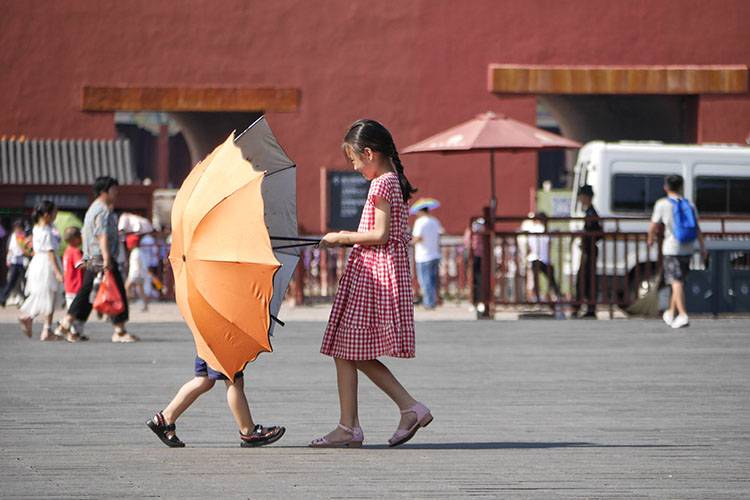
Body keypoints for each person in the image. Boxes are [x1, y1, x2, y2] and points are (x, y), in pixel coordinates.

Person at [311, 119, 433, 448]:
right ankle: (351, 424)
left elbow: (380, 234)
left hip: (374, 274)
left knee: (350, 347)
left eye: (354, 160)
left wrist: (342, 237)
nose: (354, 167)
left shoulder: (382, 183)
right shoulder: (392, 181)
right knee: (344, 348)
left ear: (368, 153)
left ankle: (405, 408)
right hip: (376, 271)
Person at [55, 176, 138, 343]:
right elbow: (101, 235)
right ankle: (119, 331)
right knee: (117, 291)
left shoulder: (95, 209)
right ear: (103, 191)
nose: (116, 193)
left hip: (94, 256)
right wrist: (107, 258)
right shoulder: (102, 210)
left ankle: (68, 325)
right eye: (113, 190)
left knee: (87, 293)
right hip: (101, 257)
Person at [145, 359, 286, 448]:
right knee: (233, 380)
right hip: (221, 335)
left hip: (206, 331)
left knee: (204, 380)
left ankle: (165, 418)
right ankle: (248, 431)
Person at [648, 175, 706, 329]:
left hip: (671, 248)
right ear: (681, 187)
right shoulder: (689, 204)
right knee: (679, 281)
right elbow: (697, 228)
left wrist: (650, 239)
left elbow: (653, 225)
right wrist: (702, 247)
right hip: (688, 247)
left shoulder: (662, 204)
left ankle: (682, 314)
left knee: (675, 281)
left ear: (666, 187)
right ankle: (671, 312)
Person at [18, 201, 63, 340]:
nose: (56, 215)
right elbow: (50, 252)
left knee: (43, 295)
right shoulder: (47, 231)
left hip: (38, 262)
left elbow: (28, 244)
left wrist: (32, 251)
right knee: (49, 295)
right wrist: (57, 271)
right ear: (46, 214)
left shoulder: (37, 228)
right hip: (47, 265)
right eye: (54, 212)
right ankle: (36, 322)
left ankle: (43, 327)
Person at [572, 185, 602, 318]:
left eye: (581, 196)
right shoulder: (590, 212)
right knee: (586, 279)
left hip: (589, 250)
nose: (580, 199)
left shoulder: (591, 213)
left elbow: (597, 232)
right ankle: (587, 307)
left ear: (586, 197)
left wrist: (584, 236)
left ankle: (583, 307)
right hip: (588, 249)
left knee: (584, 279)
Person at [526, 212, 562, 310]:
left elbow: (529, 246)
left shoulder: (531, 229)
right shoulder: (545, 230)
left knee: (536, 281)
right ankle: (556, 298)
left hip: (534, 258)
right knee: (551, 281)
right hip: (545, 259)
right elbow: (549, 244)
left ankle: (537, 300)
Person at [412, 207, 443, 309]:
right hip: (434, 254)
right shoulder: (434, 221)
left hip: (423, 255)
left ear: (421, 211)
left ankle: (428, 302)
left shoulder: (420, 222)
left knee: (424, 280)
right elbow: (440, 233)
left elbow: (418, 237)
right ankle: (433, 300)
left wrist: (410, 242)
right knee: (433, 280)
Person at [1, 220, 31, 307]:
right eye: (16, 228)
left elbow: (27, 249)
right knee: (11, 281)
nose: (17, 229)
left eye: (19, 227)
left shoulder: (25, 236)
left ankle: (26, 299)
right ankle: (3, 298)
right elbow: (10, 248)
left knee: (24, 281)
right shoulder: (13, 236)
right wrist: (8, 258)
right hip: (14, 262)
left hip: (23, 262)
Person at [125, 234, 149, 312]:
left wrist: (136, 274)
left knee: (127, 287)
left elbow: (138, 264)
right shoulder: (138, 251)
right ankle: (145, 305)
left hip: (135, 274)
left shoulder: (136, 252)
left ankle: (127, 303)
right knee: (141, 289)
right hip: (139, 273)